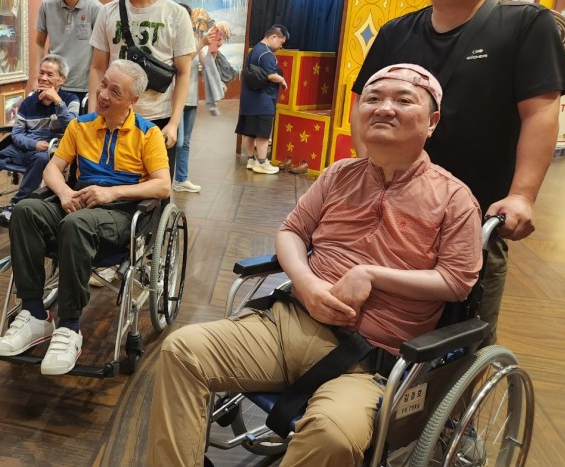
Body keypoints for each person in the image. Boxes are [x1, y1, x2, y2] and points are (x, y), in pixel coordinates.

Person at [148, 64, 482, 466]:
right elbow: (291, 232)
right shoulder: (339, 174)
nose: (383, 108)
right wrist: (305, 283)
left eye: (403, 100)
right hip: (290, 323)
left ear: (432, 122)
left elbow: (457, 281)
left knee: (333, 435)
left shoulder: (455, 199)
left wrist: (370, 274)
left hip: (370, 361)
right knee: (183, 351)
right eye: (373, 98)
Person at [351, 0, 565, 346]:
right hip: (393, 211)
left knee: (462, 339)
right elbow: (363, 101)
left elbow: (540, 112)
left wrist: (522, 195)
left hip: (474, 216)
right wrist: (369, 170)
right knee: (378, 322)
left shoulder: (525, 24)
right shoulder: (397, 32)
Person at [0, 60, 171, 375]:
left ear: (133, 100)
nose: (103, 94)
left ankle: (70, 327)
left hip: (120, 213)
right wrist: (63, 194)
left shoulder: (147, 133)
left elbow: (163, 185)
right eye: (104, 84)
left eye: (115, 91)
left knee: (75, 224)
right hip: (78, 201)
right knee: (25, 210)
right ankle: (34, 315)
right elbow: (52, 169)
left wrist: (111, 193)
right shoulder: (80, 125)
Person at [88, 0, 195, 179]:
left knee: (154, 191)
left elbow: (184, 73)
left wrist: (174, 123)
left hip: (156, 120)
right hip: (113, 117)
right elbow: (97, 67)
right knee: (108, 185)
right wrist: (94, 113)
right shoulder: (107, 12)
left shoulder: (176, 15)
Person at [0, 55, 79, 225]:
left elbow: (72, 128)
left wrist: (57, 102)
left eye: (50, 74)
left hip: (50, 150)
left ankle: (15, 204)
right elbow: (17, 133)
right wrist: (34, 144)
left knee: (41, 158)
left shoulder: (71, 100)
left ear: (62, 79)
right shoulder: (28, 102)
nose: (43, 78)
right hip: (26, 148)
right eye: (41, 73)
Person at [31, 0, 103, 98]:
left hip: (82, 86)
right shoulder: (47, 5)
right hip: (52, 84)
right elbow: (39, 43)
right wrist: (36, 77)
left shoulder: (95, 8)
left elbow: (100, 52)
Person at [172, 4, 218, 193]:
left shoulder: (194, 38)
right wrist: (202, 43)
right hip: (176, 97)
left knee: (185, 141)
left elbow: (205, 61)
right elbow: (182, 61)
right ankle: (165, 179)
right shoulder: (172, 37)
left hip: (191, 97)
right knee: (177, 141)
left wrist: (213, 46)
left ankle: (181, 179)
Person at [236, 24, 289, 174]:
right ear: (273, 37)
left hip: (248, 99)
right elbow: (271, 75)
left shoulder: (254, 51)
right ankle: (262, 163)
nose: (280, 47)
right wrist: (282, 80)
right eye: (281, 43)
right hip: (262, 100)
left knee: (249, 132)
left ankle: (251, 159)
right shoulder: (267, 54)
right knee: (262, 133)